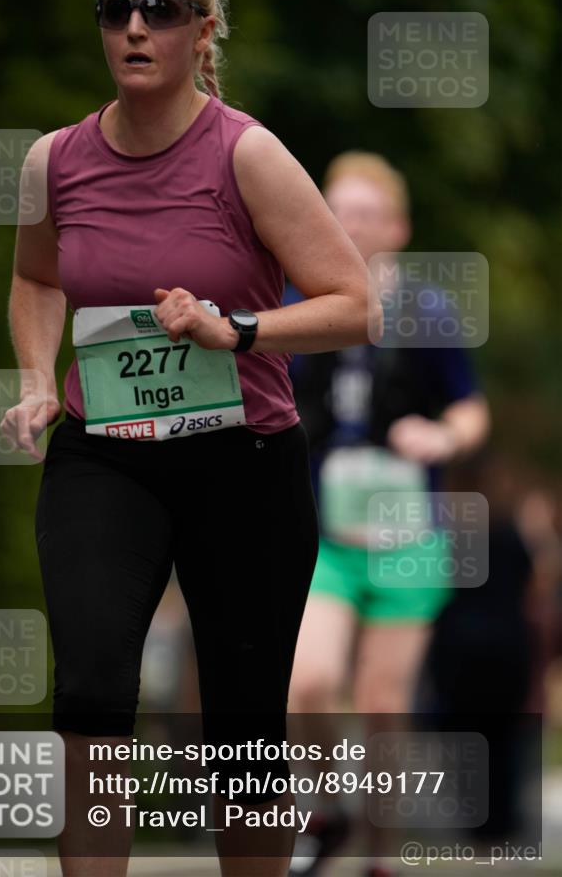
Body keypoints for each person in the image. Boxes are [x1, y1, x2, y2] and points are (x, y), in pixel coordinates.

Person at [0, 0, 380, 877]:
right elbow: (38, 280)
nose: (135, 27)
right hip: (106, 451)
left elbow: (353, 307)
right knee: (89, 691)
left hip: (242, 457)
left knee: (243, 721)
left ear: (201, 31)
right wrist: (39, 381)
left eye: (159, 11)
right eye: (116, 9)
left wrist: (237, 330)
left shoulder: (245, 154)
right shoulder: (54, 160)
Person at [286, 153, 490, 877]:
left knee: (381, 706)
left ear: (397, 229)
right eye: (337, 210)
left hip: (406, 535)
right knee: (305, 680)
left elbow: (469, 408)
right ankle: (323, 811)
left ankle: (379, 857)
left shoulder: (427, 312)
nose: (350, 225)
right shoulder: (297, 300)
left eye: (367, 213)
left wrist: (442, 435)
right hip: (325, 534)